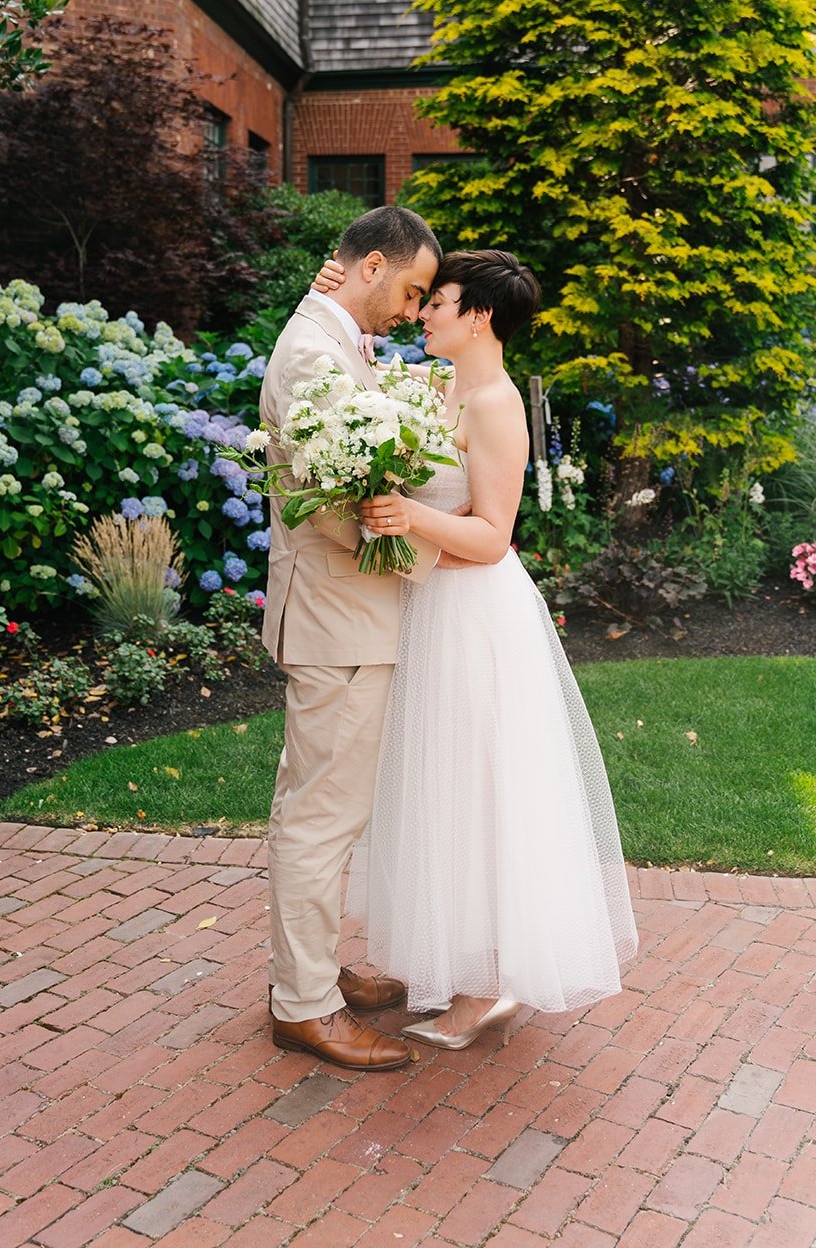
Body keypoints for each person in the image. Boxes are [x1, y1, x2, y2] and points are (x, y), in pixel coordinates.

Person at [316, 247, 638, 1049]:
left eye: (438, 301)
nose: (422, 312)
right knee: (439, 793)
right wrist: (327, 295)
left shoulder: (493, 401)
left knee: (477, 796)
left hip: (475, 618)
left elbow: (493, 538)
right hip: (431, 605)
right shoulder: (434, 385)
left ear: (479, 316)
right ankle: (462, 970)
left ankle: (483, 988)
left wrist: (404, 514)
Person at [260, 204, 443, 1071]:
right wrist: (421, 552)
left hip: (343, 615)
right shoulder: (310, 352)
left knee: (323, 809)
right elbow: (327, 500)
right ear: (370, 266)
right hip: (337, 615)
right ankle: (304, 1005)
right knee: (321, 818)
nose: (411, 311)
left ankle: (312, 973)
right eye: (409, 291)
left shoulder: (328, 332)